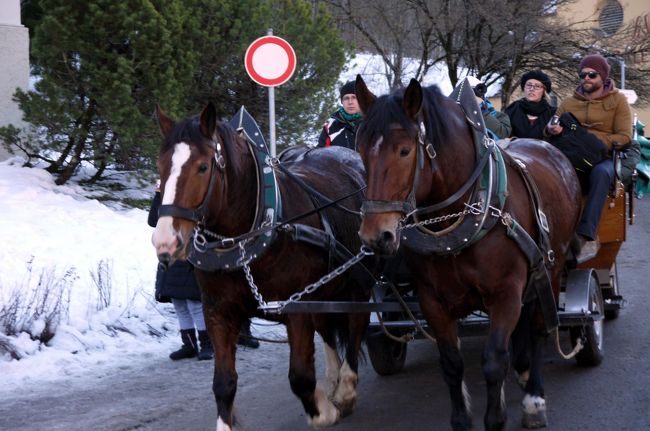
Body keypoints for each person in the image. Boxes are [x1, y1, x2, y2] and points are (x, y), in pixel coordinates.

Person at [148, 183, 260, 353]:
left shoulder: (196, 195)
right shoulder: (167, 198)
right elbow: (152, 221)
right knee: (179, 303)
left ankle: (207, 345)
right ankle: (189, 345)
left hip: (194, 256)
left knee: (194, 303)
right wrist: (158, 195)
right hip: (172, 256)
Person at [545, 53, 632, 261]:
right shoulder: (568, 103)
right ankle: (547, 232)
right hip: (573, 157)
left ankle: (585, 235)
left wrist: (591, 140)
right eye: (582, 75)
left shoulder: (618, 100)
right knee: (547, 174)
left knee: (601, 174)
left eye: (592, 75)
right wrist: (551, 130)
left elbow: (625, 136)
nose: (586, 78)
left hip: (602, 158)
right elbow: (550, 128)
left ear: (602, 77)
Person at [504, 70, 556, 139]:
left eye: (537, 86)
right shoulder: (512, 110)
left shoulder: (552, 114)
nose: (531, 89)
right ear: (524, 88)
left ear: (544, 91)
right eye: (529, 85)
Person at [318, 80, 362, 149]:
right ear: (342, 102)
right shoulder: (330, 127)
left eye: (354, 97)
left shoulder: (374, 123)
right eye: (346, 98)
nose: (350, 102)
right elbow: (320, 153)